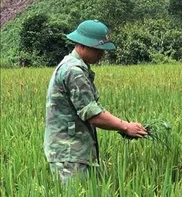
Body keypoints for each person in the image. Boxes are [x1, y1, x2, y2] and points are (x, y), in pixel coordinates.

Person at [44, 20, 147, 184]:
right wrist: (126, 126)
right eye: (98, 49)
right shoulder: (74, 71)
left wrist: (122, 127)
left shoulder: (74, 67)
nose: (102, 54)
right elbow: (93, 114)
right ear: (83, 45)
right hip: (69, 154)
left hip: (75, 151)